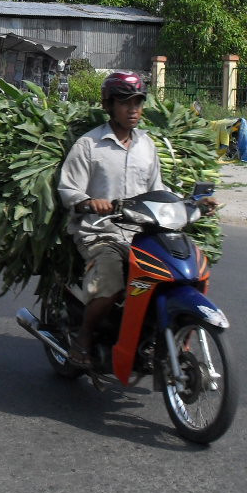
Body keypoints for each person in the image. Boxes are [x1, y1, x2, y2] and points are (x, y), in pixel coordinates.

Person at [56, 71, 165, 370]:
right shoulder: (89, 146)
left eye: (139, 102)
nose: (134, 109)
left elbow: (159, 190)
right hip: (100, 233)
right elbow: (68, 189)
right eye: (125, 102)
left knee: (171, 279)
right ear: (109, 106)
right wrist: (90, 203)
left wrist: (191, 204)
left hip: (141, 235)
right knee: (112, 284)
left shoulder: (147, 146)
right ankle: (84, 339)